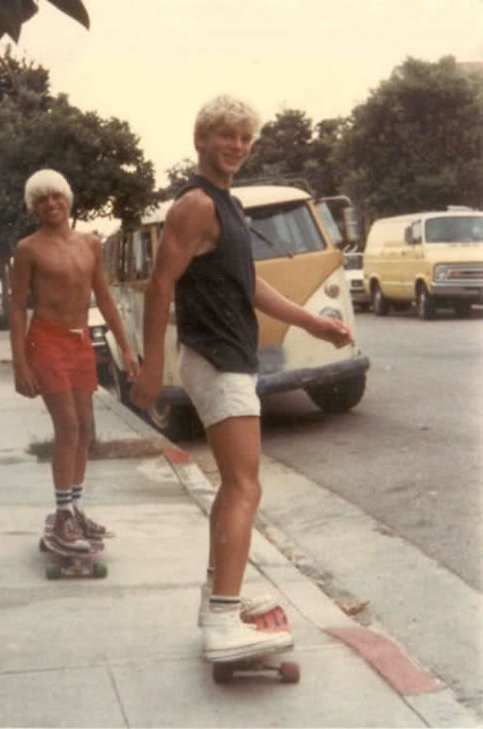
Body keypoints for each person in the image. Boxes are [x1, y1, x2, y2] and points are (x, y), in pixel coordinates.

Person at [131, 96, 354, 662]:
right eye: (225, 135)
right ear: (201, 139)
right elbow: (160, 286)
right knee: (244, 486)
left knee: (236, 485)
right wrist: (152, 366)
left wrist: (313, 322)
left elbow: (248, 281)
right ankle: (225, 621)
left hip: (230, 353)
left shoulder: (228, 205)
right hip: (215, 356)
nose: (236, 145)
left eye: (245, 138)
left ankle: (217, 600)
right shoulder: (197, 204)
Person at [10, 169, 139, 551]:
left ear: (67, 199)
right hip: (46, 342)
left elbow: (105, 298)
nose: (50, 204)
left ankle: (76, 509)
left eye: (56, 196)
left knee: (83, 428)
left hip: (80, 342)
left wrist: (127, 348)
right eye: (41, 200)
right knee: (66, 427)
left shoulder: (90, 244)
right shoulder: (28, 249)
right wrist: (20, 363)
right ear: (34, 208)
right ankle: (63, 514)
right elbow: (17, 308)